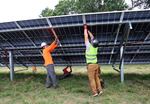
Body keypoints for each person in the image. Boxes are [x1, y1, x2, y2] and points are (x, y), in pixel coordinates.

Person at [84, 24, 103, 97]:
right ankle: (100, 90)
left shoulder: (88, 47)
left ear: (92, 43)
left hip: (90, 66)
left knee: (92, 79)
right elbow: (92, 37)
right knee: (97, 78)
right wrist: (88, 30)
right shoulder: (96, 47)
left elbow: (86, 37)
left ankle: (95, 93)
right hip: (96, 65)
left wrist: (85, 29)